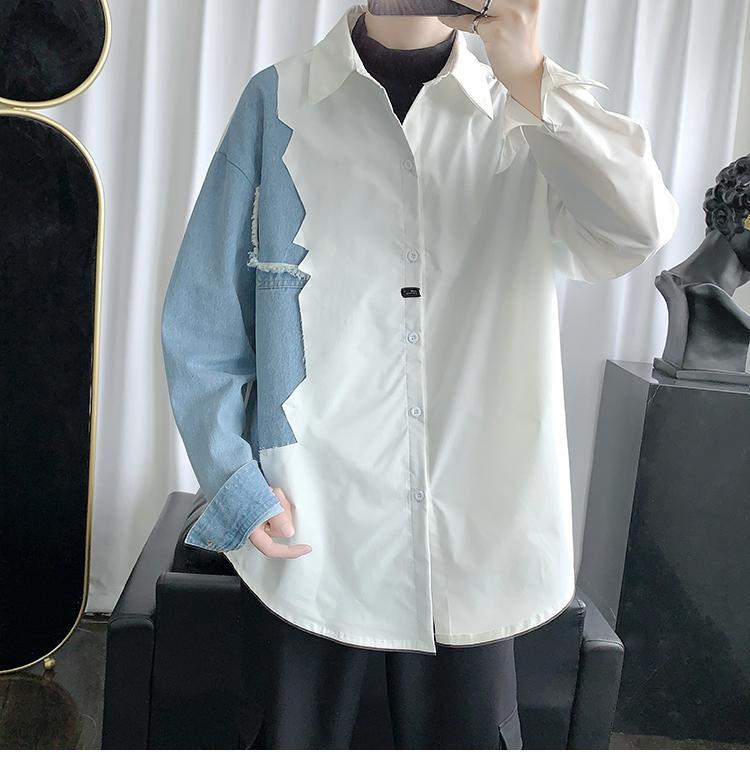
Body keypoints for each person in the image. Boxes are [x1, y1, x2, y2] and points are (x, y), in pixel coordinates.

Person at [160, 0, 679, 749]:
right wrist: (233, 478)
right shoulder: (280, 101)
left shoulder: (521, 110)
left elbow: (636, 227)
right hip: (311, 518)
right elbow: (204, 317)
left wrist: (532, 78)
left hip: (476, 528)